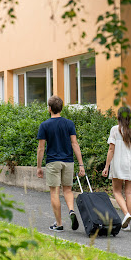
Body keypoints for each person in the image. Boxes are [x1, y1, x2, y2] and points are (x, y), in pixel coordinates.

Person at [37, 95, 85, 232]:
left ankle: (58, 224)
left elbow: (41, 148)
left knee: (54, 192)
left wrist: (39, 167)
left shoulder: (44, 125)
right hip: (68, 161)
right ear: (61, 108)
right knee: (68, 190)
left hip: (53, 162)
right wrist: (81, 164)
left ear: (49, 108)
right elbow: (74, 144)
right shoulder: (69, 124)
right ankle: (71, 210)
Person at [102, 106, 131, 231]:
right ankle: (127, 224)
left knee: (117, 192)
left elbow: (111, 149)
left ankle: (126, 214)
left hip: (118, 164)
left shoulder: (115, 130)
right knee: (129, 193)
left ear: (118, 116)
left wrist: (106, 166)